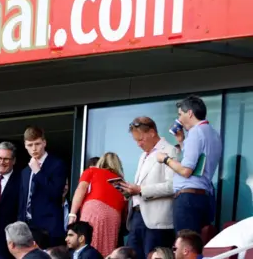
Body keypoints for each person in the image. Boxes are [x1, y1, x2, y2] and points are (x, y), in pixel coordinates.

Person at [157, 95, 222, 234]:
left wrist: (165, 159)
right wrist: (182, 141)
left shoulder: (196, 132)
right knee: (194, 244)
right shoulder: (213, 133)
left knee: (185, 245)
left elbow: (186, 170)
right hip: (203, 196)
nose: (179, 119)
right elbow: (199, 161)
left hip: (188, 198)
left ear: (190, 113)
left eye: (180, 114)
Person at [119, 116, 178, 259]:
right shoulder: (142, 156)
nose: (138, 144)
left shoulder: (170, 151)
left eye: (141, 139)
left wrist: (140, 190)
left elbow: (173, 186)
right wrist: (129, 191)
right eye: (136, 141)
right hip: (136, 216)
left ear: (152, 133)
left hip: (156, 220)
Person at [69, 152, 126, 256]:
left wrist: (72, 214)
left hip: (94, 209)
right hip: (114, 216)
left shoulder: (92, 171)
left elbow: (81, 189)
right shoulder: (121, 183)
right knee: (107, 250)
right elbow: (125, 207)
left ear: (101, 162)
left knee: (87, 245)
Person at [18, 126, 67, 247]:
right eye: (30, 145)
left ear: (44, 143)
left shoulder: (57, 164)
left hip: (49, 227)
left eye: (37, 144)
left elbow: (56, 193)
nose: (34, 148)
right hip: (27, 227)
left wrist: (38, 172)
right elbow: (22, 200)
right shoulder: (25, 171)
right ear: (25, 145)